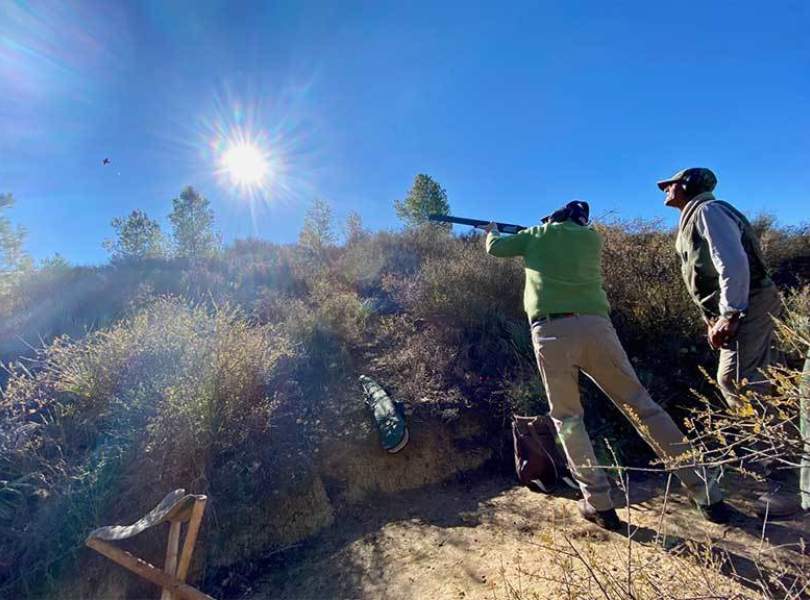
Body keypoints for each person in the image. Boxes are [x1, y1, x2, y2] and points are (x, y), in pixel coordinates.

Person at [484, 201, 725, 530]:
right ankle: (707, 493)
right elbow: (559, 235)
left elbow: (496, 248)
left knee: (568, 418)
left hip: (552, 331)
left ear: (556, 218)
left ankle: (599, 503)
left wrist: (491, 231)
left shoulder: (538, 235)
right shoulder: (591, 238)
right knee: (644, 407)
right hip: (598, 328)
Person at [658, 167, 798, 517]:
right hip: (748, 303)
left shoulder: (708, 211)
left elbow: (731, 263)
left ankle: (785, 480)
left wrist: (731, 313)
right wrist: (716, 317)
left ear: (688, 185)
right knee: (757, 382)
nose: (664, 187)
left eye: (671, 182)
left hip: (748, 303)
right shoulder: (700, 215)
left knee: (739, 382)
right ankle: (779, 468)